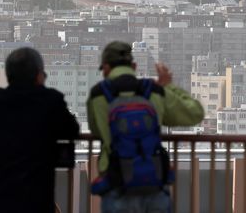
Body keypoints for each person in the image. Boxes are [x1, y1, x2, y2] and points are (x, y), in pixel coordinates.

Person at [0, 47, 80, 213]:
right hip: (36, 199)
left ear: (8, 75)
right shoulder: (50, 101)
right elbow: (72, 129)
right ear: (38, 75)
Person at [87, 41, 204, 213]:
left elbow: (96, 130)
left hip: (116, 183)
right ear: (134, 66)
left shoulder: (98, 95)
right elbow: (195, 113)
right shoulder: (153, 91)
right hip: (153, 183)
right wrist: (168, 86)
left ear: (105, 68)